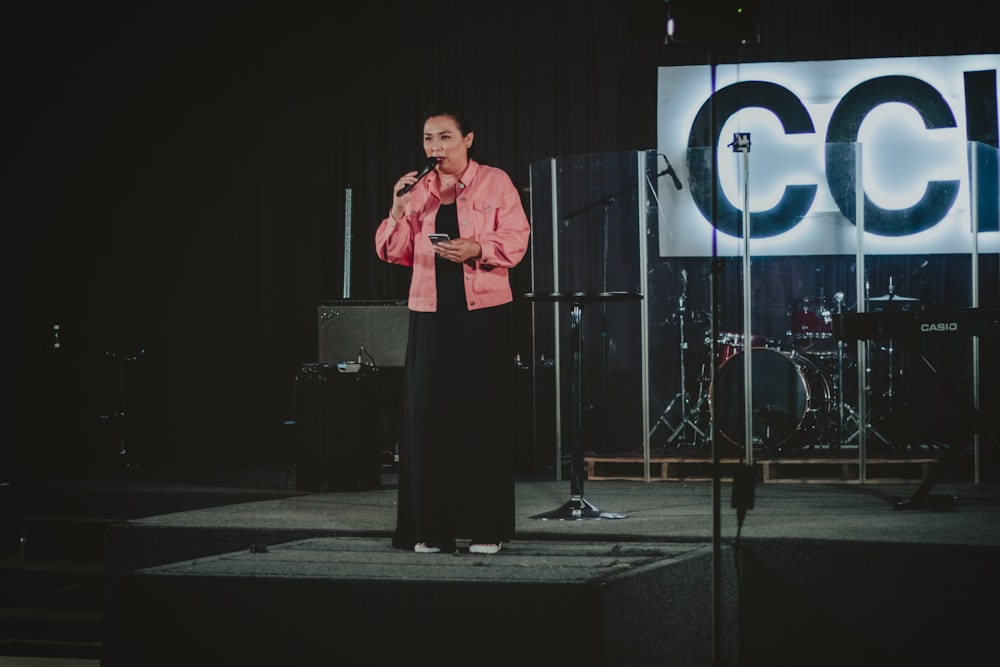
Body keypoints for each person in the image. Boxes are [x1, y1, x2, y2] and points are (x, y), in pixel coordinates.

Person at [375, 103, 530, 555]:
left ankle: (485, 528)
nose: (435, 147)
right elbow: (391, 252)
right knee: (429, 420)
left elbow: (517, 239)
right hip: (431, 312)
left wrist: (477, 248)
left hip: (482, 313)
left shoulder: (495, 181)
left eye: (444, 137)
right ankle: (430, 529)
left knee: (482, 416)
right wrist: (398, 208)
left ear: (468, 139)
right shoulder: (418, 189)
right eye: (428, 138)